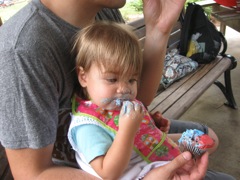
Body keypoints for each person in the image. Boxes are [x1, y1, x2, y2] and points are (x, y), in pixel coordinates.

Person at [0, 0, 235, 179]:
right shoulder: (22, 50)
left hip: (122, 137)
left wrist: (159, 29)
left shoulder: (103, 10)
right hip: (105, 168)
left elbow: (137, 97)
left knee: (206, 135)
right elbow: (33, 174)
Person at [68, 21, 185, 179]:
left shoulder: (117, 106)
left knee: (201, 142)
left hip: (149, 165)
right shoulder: (87, 126)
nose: (124, 89)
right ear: (83, 77)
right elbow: (109, 173)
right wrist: (127, 131)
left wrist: (150, 124)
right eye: (112, 79)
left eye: (131, 80)